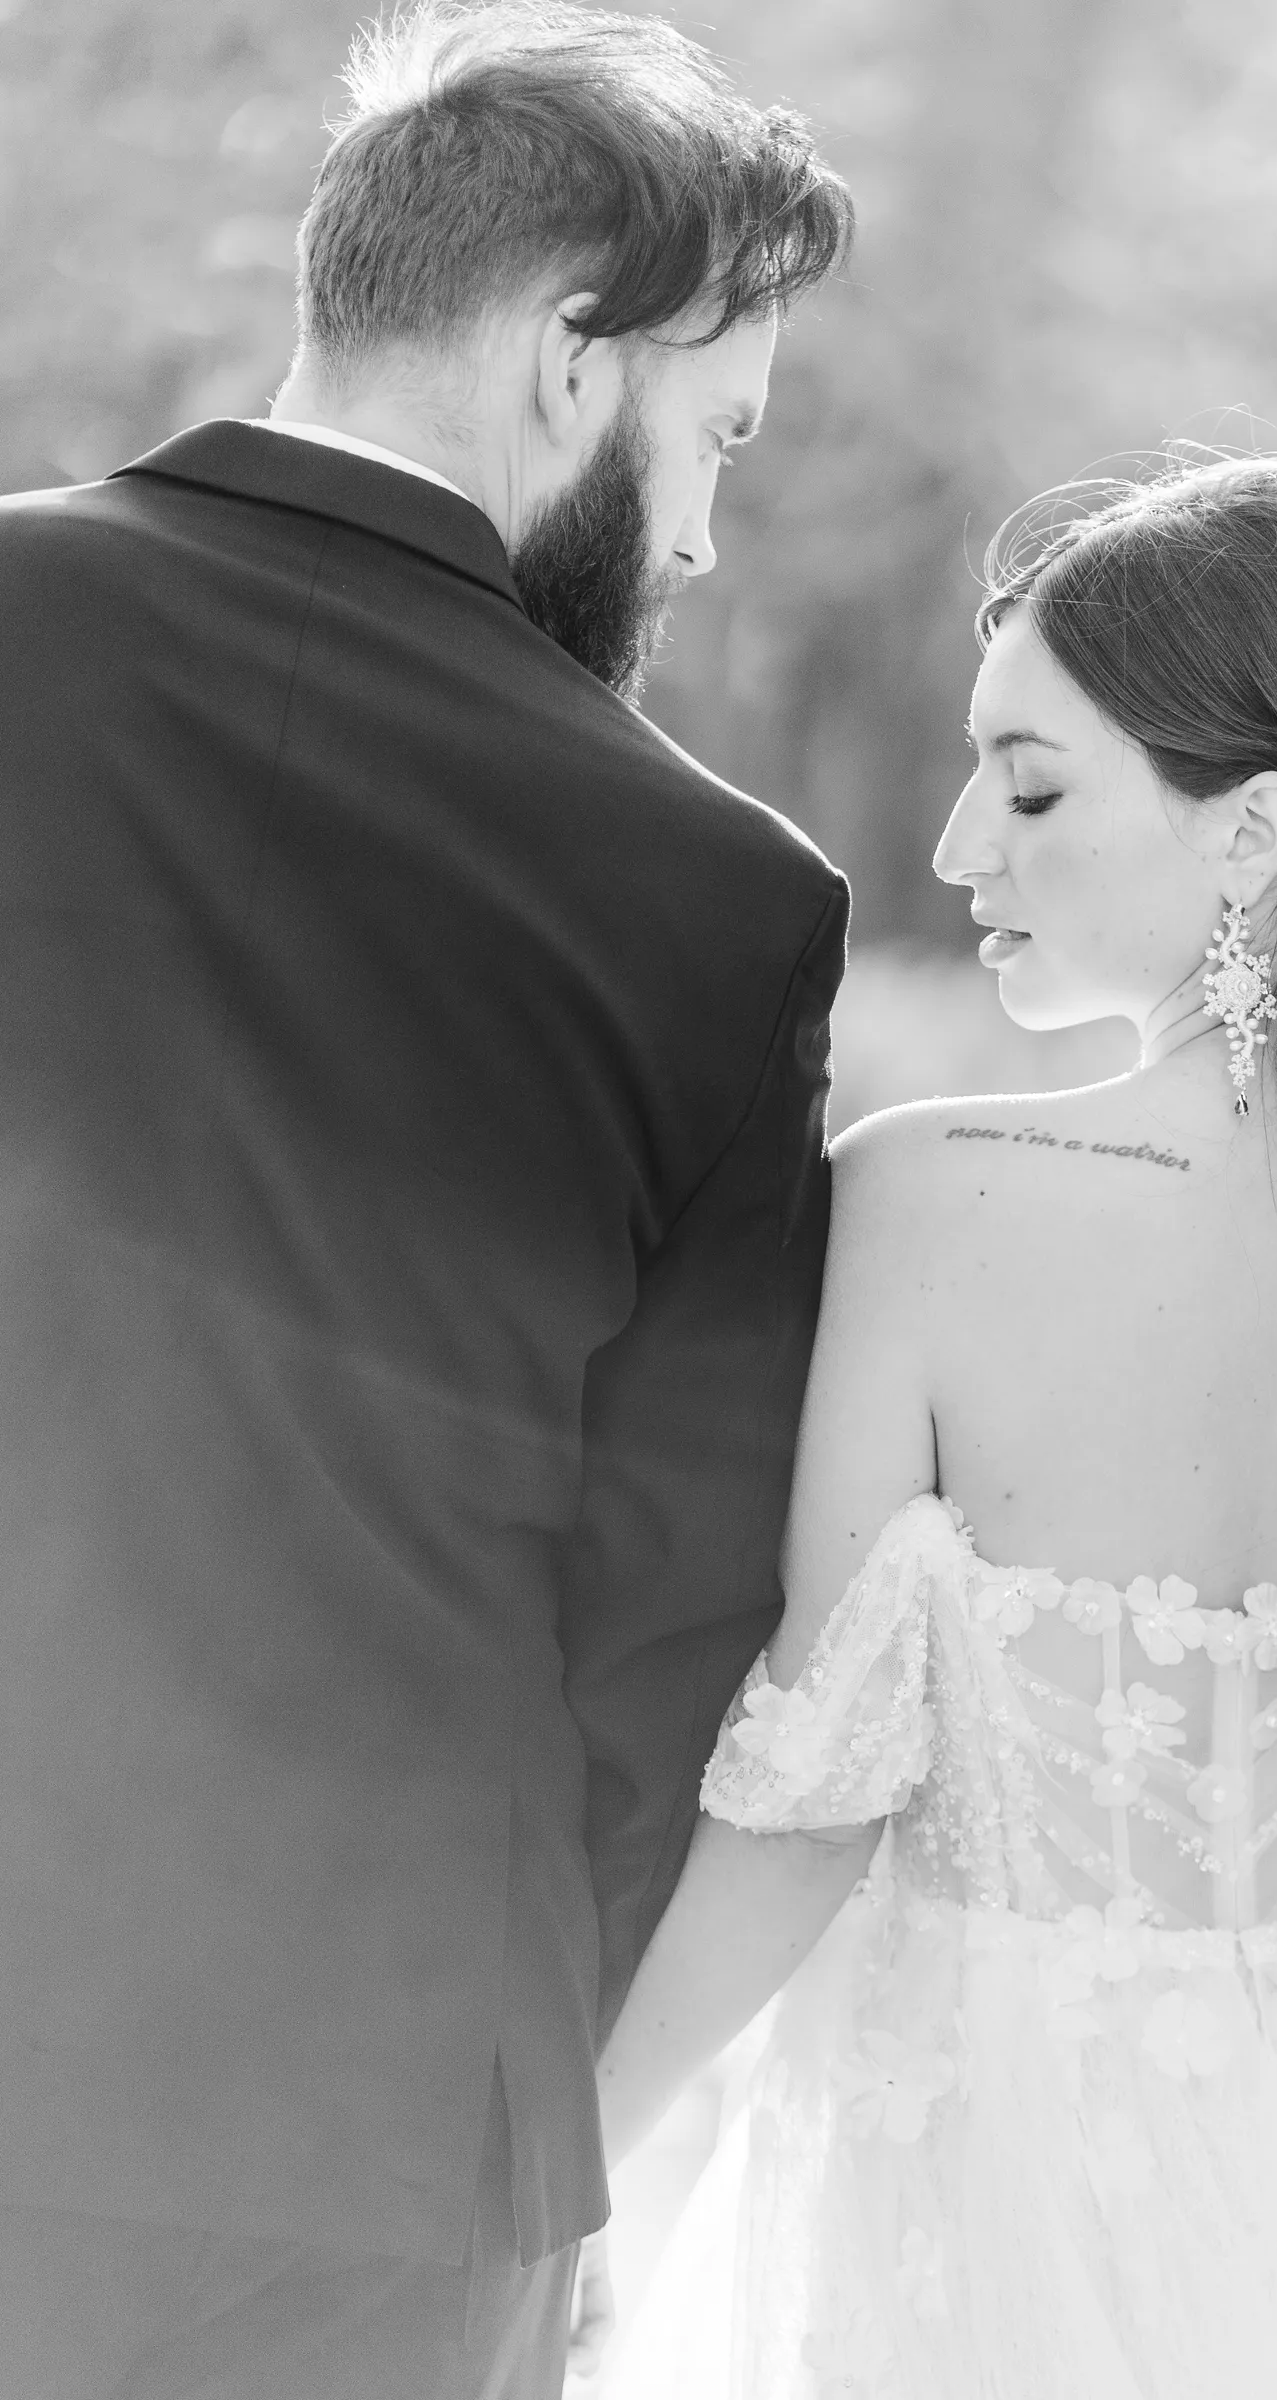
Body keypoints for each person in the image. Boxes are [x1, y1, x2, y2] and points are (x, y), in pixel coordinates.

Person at [0, 5, 852, 2394]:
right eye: (718, 439)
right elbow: (671, 1619)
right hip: (362, 2133)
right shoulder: (714, 900)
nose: (694, 536)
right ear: (576, 353)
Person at [590, 454, 1277, 2398]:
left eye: (1033, 784)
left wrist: (565, 2173)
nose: (962, 846)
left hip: (984, 2179)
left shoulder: (928, 1197)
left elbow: (814, 1801)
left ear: (1250, 834)